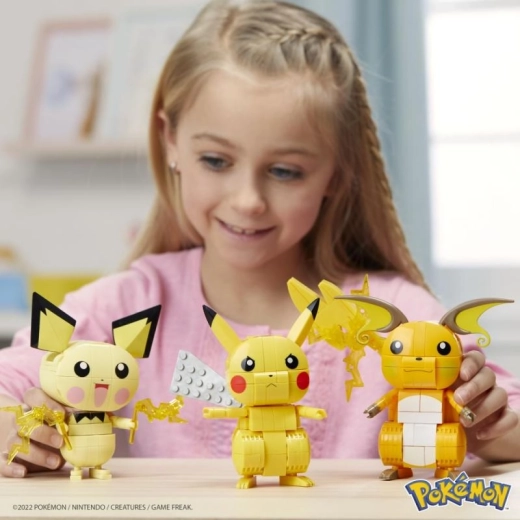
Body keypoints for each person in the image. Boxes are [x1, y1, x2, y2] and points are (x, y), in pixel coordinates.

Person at [1, 0, 519, 479]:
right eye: (216, 161)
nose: (248, 200)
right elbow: (10, 385)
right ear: (171, 141)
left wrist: (489, 426)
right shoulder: (119, 311)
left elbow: (510, 423)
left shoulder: (396, 318)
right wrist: (14, 428)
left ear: (336, 173)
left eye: (285, 171)